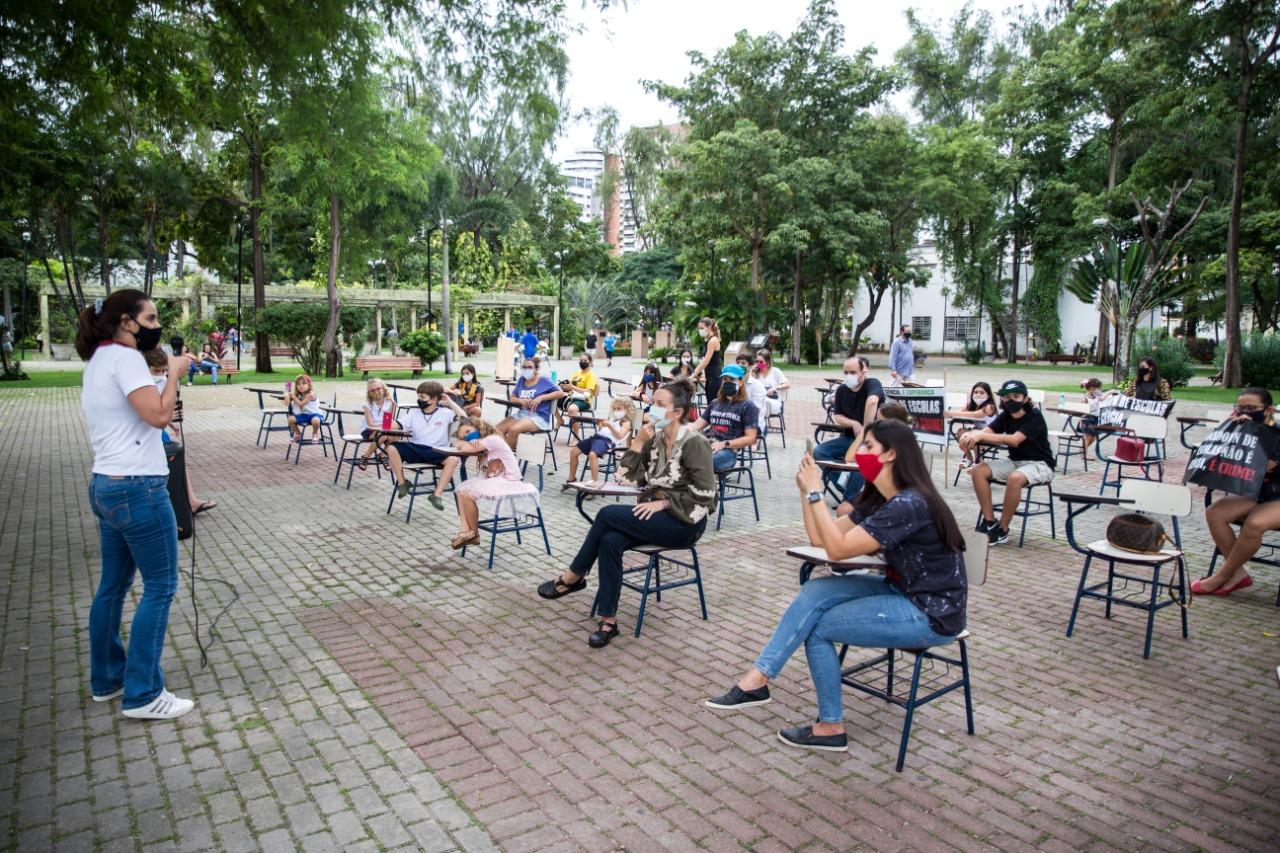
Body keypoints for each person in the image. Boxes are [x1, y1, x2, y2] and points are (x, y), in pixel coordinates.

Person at [704, 420, 967, 753]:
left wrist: (816, 492)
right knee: (816, 591)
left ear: (891, 455)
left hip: (932, 613)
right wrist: (805, 493)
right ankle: (759, 679)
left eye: (868, 446)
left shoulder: (908, 504)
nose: (860, 452)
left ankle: (830, 726)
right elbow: (820, 539)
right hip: (902, 591)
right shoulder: (881, 496)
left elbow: (838, 551)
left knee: (819, 628)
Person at [77, 288, 194, 720]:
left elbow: (137, 407)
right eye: (151, 318)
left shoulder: (99, 361)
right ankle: (144, 693)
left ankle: (108, 679)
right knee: (161, 586)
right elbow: (159, 416)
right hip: (139, 489)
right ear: (127, 321)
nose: (156, 326)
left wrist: (164, 379)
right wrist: (176, 374)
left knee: (113, 586)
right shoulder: (127, 359)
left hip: (107, 484)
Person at [536, 379, 716, 648]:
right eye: (652, 403)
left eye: (659, 405)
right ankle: (608, 621)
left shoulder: (694, 443)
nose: (651, 409)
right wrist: (637, 443)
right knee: (610, 541)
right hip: (654, 516)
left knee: (607, 514)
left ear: (677, 412)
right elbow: (625, 477)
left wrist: (665, 502)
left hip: (685, 522)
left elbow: (706, 495)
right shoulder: (654, 439)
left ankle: (573, 576)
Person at [1194, 387, 1280, 596]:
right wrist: (1230, 431)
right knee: (1215, 513)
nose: (1245, 412)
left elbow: (1262, 466)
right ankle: (1237, 574)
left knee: (1254, 524)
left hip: (1277, 495)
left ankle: (1222, 576)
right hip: (1255, 492)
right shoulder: (1236, 429)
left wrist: (1251, 431)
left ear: (1267, 410)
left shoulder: (1276, 433)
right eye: (1240, 407)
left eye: (1251, 408)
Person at [959, 379, 1056, 546]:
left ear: (1025, 398)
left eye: (1016, 396)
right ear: (1001, 399)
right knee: (978, 470)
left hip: (1040, 464)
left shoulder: (1034, 416)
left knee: (1015, 478)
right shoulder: (1005, 416)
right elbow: (986, 432)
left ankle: (1003, 529)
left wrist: (979, 435)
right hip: (1015, 461)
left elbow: (1014, 440)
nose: (1011, 400)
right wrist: (969, 437)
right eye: (1007, 397)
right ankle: (989, 521)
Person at [448, 417, 541, 550]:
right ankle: (464, 531)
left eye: (469, 431)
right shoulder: (483, 443)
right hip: (496, 479)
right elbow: (466, 444)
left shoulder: (492, 439)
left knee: (468, 495)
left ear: (479, 428)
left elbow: (465, 448)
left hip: (508, 480)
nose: (467, 436)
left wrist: (459, 440)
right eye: (464, 435)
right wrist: (466, 439)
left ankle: (474, 533)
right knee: (460, 491)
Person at [143, 347, 215, 515]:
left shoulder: (160, 380)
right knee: (163, 467)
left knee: (178, 460)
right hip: (148, 435)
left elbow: (162, 408)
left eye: (164, 371)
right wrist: (168, 418)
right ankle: (177, 504)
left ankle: (190, 501)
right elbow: (152, 414)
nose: (160, 375)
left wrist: (172, 423)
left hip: (158, 430)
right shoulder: (143, 385)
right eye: (156, 371)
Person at [385, 381, 463, 510]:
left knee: (453, 460)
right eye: (418, 396)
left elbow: (465, 419)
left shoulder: (446, 413)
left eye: (422, 397)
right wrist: (388, 408)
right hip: (416, 448)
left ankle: (436, 495)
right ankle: (403, 483)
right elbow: (388, 426)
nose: (419, 400)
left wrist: (450, 402)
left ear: (433, 400)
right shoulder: (413, 413)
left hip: (436, 450)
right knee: (392, 447)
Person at [833, 401, 912, 517]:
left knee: (846, 511)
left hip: (888, 494)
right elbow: (849, 458)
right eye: (876, 419)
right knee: (843, 509)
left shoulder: (900, 445)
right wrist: (863, 434)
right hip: (874, 492)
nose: (876, 423)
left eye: (879, 420)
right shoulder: (878, 438)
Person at [813, 356, 883, 470]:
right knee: (819, 452)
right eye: (846, 373)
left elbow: (872, 401)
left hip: (872, 440)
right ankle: (842, 484)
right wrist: (854, 424)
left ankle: (850, 485)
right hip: (849, 439)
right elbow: (838, 416)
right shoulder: (841, 389)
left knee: (860, 458)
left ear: (863, 372)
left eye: (853, 372)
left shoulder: (872, 383)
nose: (849, 376)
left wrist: (864, 431)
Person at [691, 365, 760, 472]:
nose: (727, 382)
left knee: (697, 462)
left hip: (728, 451)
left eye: (732, 379)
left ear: (741, 382)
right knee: (682, 456)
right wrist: (680, 429)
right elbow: (697, 425)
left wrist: (724, 444)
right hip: (707, 444)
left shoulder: (748, 406)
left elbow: (751, 438)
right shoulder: (715, 403)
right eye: (725, 379)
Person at [564, 398, 637, 486]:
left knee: (592, 455)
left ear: (627, 410)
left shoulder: (627, 423)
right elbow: (604, 431)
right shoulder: (615, 420)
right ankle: (571, 479)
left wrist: (609, 425)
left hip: (606, 441)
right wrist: (601, 426)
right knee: (574, 452)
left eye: (619, 408)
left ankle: (595, 483)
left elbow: (620, 436)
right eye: (614, 408)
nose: (616, 411)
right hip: (596, 438)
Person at [495, 357, 564, 449]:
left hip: (539, 417)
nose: (526, 369)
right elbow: (512, 398)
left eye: (530, 367)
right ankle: (507, 451)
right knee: (496, 430)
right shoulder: (521, 380)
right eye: (524, 367)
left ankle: (506, 458)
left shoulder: (544, 380)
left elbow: (560, 393)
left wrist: (541, 398)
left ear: (536, 369)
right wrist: (521, 401)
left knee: (514, 430)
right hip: (522, 414)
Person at [945, 382, 997, 467]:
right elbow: (960, 413)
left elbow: (976, 415)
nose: (978, 395)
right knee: (961, 432)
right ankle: (969, 459)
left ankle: (978, 462)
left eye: (982, 392)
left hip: (992, 435)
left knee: (974, 435)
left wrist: (951, 413)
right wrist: (968, 400)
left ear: (988, 395)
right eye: (976, 392)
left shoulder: (990, 406)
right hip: (978, 432)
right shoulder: (971, 405)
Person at [557, 352, 599, 438]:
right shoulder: (577, 373)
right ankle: (559, 419)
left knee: (572, 409)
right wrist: (564, 386)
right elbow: (570, 386)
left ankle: (576, 437)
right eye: (581, 360)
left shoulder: (591, 375)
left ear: (590, 362)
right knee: (551, 399)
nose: (583, 362)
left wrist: (572, 387)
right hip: (571, 397)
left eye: (585, 360)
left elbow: (589, 392)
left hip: (584, 400)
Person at [358, 379, 397, 468]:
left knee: (397, 434)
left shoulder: (390, 403)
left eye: (378, 388)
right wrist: (385, 429)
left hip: (384, 430)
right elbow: (370, 424)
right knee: (383, 434)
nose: (376, 391)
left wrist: (387, 429)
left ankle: (383, 454)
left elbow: (389, 422)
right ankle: (366, 456)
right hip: (368, 430)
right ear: (369, 393)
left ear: (384, 388)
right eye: (372, 390)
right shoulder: (367, 404)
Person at [734, 352, 770, 431]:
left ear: (750, 366)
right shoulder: (734, 383)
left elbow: (756, 410)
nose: (739, 365)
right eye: (737, 363)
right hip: (735, 420)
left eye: (743, 363)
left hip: (753, 424)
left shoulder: (757, 386)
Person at [691, 317, 723, 402]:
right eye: (699, 328)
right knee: (709, 402)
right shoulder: (707, 340)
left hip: (715, 376)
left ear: (709, 327)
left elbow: (706, 361)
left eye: (702, 328)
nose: (700, 330)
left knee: (713, 403)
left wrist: (694, 374)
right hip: (709, 376)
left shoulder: (713, 340)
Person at [284, 374, 323, 442]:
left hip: (314, 414)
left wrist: (294, 397)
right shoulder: (297, 395)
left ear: (309, 385)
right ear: (296, 386)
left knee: (315, 420)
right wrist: (287, 394)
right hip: (303, 415)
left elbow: (300, 404)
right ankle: (298, 434)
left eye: (304, 384)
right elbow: (286, 403)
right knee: (290, 419)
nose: (301, 386)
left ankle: (315, 434)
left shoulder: (311, 394)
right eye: (298, 384)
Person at [756, 349, 790, 418]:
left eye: (761, 362)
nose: (758, 364)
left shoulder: (775, 371)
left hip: (773, 401)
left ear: (767, 362)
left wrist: (775, 388)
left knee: (763, 403)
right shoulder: (756, 373)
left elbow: (787, 384)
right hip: (759, 400)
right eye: (757, 361)